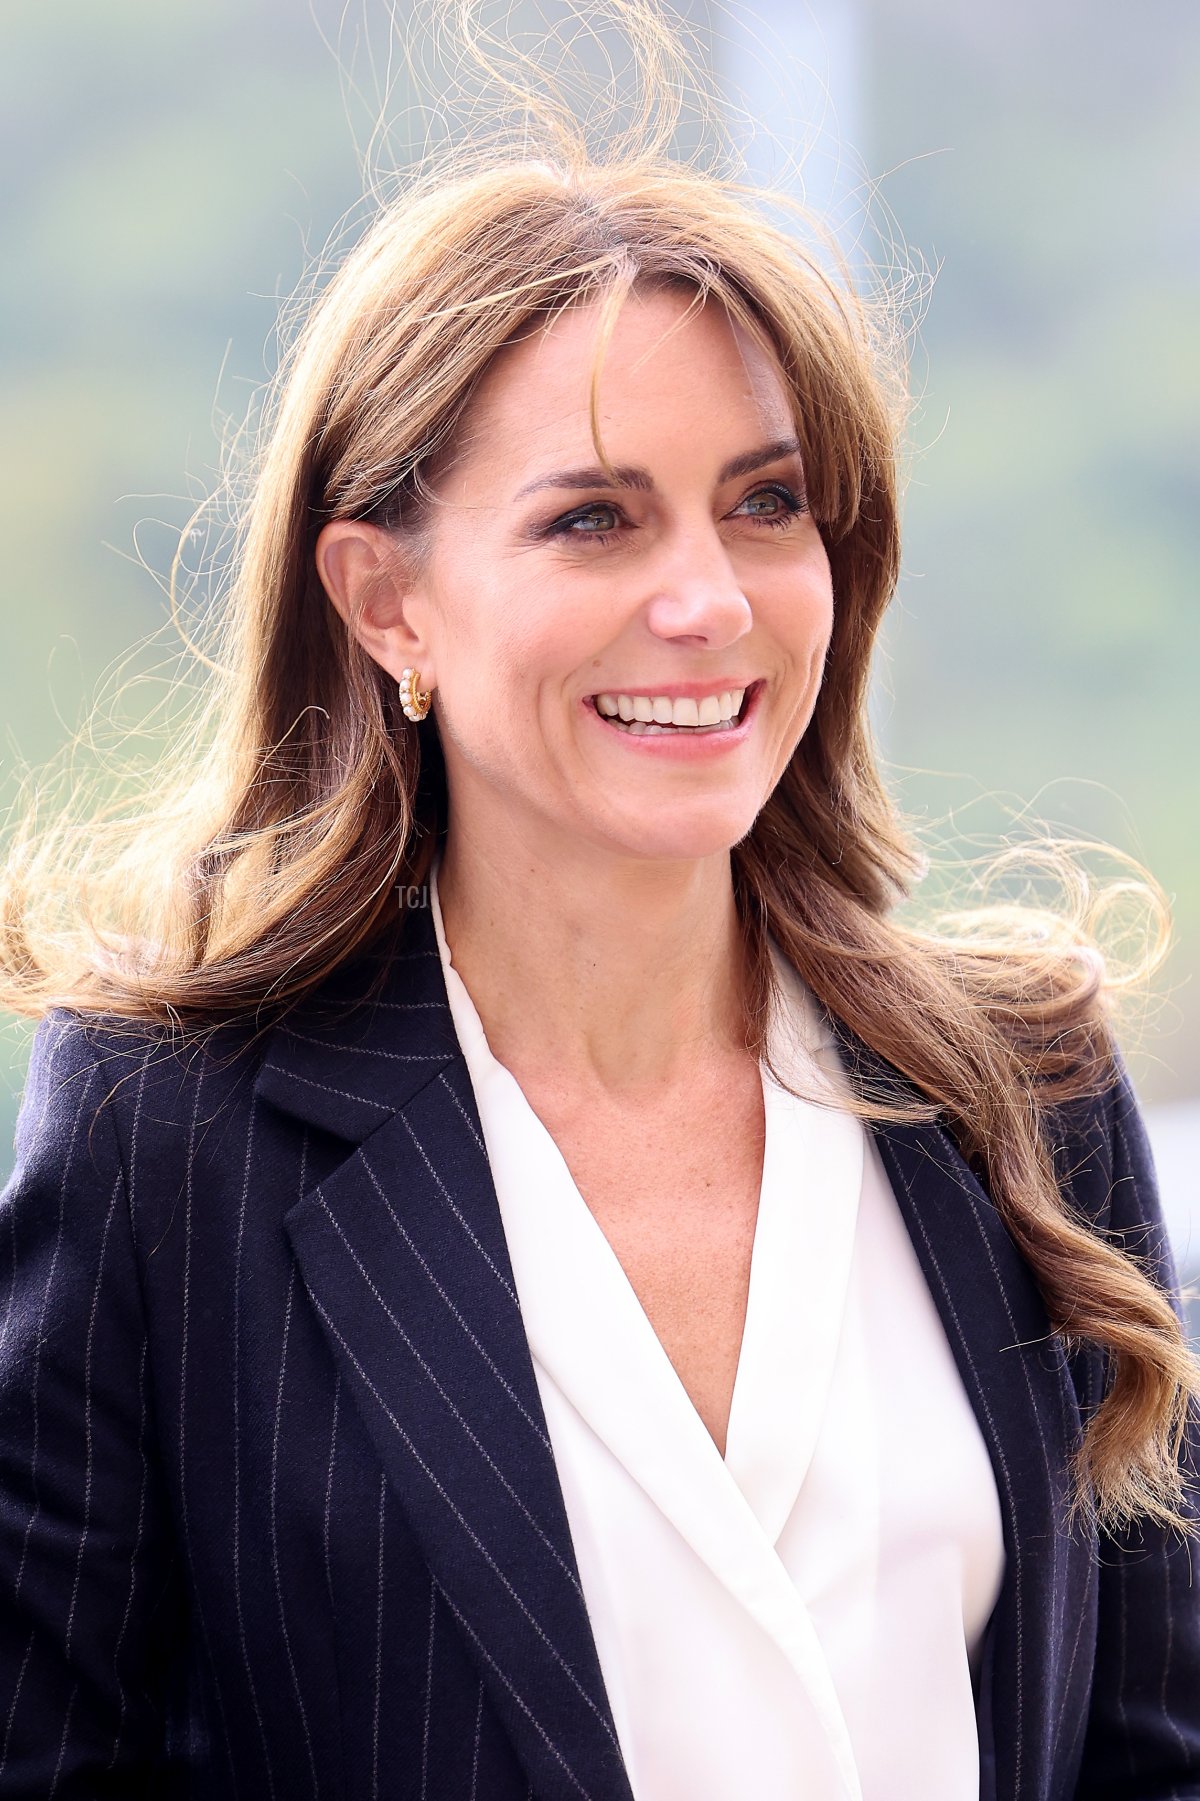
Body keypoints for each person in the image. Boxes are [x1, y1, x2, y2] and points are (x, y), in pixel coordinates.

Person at [1, 12, 1198, 1798]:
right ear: (385, 600)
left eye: (766, 505)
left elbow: (1151, 1755)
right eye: (594, 521)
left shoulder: (1015, 1085)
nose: (709, 601)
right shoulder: (170, 1132)